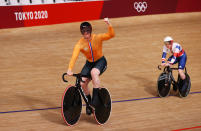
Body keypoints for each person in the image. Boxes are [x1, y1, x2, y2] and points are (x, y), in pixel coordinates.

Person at [66, 18, 115, 115]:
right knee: (82, 83)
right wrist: (69, 69)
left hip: (100, 61)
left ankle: (95, 100)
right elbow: (74, 57)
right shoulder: (80, 44)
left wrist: (109, 24)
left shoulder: (98, 37)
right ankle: (89, 103)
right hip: (89, 63)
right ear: (81, 32)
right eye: (83, 31)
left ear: (90, 30)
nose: (86, 33)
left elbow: (111, 35)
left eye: (87, 31)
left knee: (94, 72)